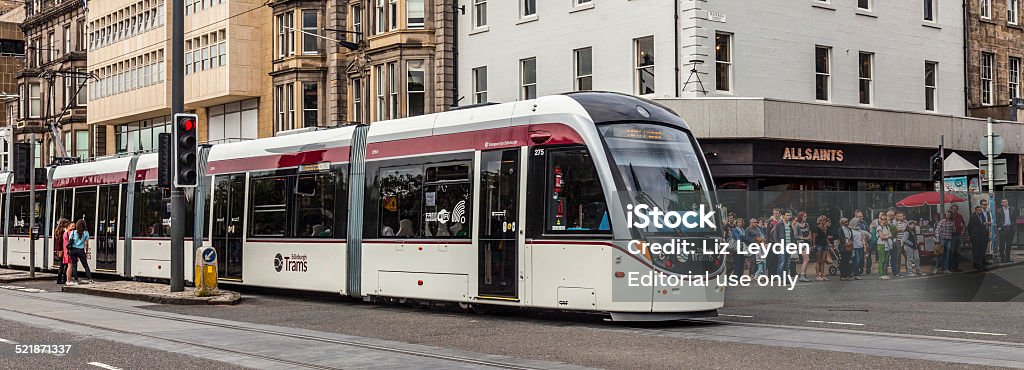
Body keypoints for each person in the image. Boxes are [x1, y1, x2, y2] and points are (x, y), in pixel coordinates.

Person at [67, 219, 93, 285]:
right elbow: (86, 244)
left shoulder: (73, 232)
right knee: (85, 266)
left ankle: (76, 280)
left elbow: (69, 242)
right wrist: (86, 252)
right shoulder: (86, 233)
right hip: (81, 250)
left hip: (73, 250)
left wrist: (69, 250)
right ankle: (90, 279)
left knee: (74, 266)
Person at [772, 211, 795, 278]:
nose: (789, 217)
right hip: (782, 245)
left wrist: (793, 245)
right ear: (783, 216)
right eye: (787, 215)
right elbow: (775, 235)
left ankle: (786, 278)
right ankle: (781, 278)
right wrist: (778, 245)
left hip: (789, 245)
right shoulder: (779, 224)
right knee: (781, 262)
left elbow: (792, 235)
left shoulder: (790, 224)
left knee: (787, 263)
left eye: (789, 215)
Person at [873, 213, 896, 279]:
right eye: (882, 219)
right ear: (880, 220)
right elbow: (882, 237)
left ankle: (884, 273)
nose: (884, 220)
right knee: (881, 260)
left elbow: (890, 235)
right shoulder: (879, 227)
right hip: (881, 244)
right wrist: (887, 236)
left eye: (885, 219)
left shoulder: (887, 226)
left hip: (887, 244)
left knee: (885, 260)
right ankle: (881, 274)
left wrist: (887, 236)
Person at [968, 205, 990, 271]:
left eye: (981, 210)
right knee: (976, 251)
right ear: (976, 210)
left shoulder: (982, 215)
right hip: (976, 236)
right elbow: (970, 227)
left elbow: (983, 223)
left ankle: (980, 264)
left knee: (981, 250)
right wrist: (971, 235)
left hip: (982, 235)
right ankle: (976, 264)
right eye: (979, 210)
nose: (980, 211)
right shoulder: (973, 217)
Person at [995, 199, 1016, 263]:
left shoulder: (1012, 209)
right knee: (1002, 245)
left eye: (1006, 201)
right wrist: (999, 227)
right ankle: (1003, 259)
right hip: (1003, 229)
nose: (1006, 203)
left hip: (1010, 229)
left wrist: (1014, 227)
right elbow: (997, 219)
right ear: (1001, 203)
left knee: (1009, 245)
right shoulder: (999, 210)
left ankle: (1008, 258)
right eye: (1004, 202)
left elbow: (1015, 218)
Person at [794, 212, 812, 282]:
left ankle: (804, 274)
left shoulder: (806, 224)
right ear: (800, 217)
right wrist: (805, 238)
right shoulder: (797, 225)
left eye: (806, 216)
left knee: (806, 260)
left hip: (808, 243)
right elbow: (795, 236)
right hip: (801, 243)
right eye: (804, 216)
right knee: (806, 259)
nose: (806, 217)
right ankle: (802, 275)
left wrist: (809, 237)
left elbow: (809, 232)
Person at [812, 215, 831, 281]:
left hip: (824, 245)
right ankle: (818, 275)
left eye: (826, 220)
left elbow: (826, 237)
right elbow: (814, 237)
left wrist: (829, 244)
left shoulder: (826, 228)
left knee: (823, 260)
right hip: (818, 245)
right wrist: (814, 244)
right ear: (820, 221)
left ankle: (822, 274)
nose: (825, 221)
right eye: (824, 220)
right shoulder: (817, 228)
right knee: (818, 260)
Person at [891, 212, 909, 277]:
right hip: (898, 241)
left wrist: (902, 230)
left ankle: (908, 270)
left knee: (907, 256)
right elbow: (893, 231)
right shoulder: (895, 223)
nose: (900, 217)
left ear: (904, 216)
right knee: (898, 257)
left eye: (901, 216)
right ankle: (897, 271)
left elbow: (908, 230)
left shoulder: (907, 222)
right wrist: (898, 230)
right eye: (898, 216)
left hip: (905, 241)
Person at [53, 218, 70, 284]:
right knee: (65, 265)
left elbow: (57, 242)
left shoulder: (57, 231)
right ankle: (63, 279)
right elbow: (61, 242)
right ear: (64, 224)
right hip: (62, 250)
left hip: (59, 250)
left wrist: (57, 250)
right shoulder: (63, 232)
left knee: (62, 265)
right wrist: (63, 249)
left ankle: (59, 279)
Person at [949, 205, 965, 272]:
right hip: (951, 236)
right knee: (952, 252)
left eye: (956, 209)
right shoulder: (949, 216)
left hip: (958, 235)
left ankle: (956, 267)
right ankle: (950, 267)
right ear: (951, 209)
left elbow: (964, 224)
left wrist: (963, 231)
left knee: (957, 252)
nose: (954, 210)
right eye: (953, 209)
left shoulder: (959, 216)